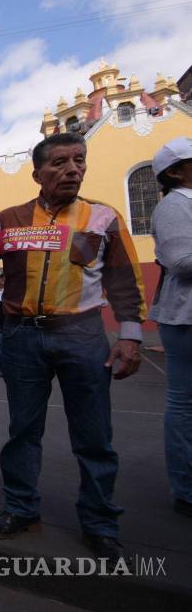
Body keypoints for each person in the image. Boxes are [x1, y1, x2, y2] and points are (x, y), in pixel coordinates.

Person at [0, 132, 145, 561]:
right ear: (37, 173)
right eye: (60, 163)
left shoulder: (104, 217)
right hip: (21, 336)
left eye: (79, 160)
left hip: (82, 335)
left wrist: (131, 335)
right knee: (23, 430)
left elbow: (122, 278)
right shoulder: (9, 219)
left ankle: (100, 524)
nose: (72, 169)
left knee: (94, 436)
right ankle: (21, 508)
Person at [149, 136, 192, 519]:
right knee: (184, 403)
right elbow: (181, 261)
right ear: (175, 171)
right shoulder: (175, 207)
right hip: (186, 316)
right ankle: (186, 488)